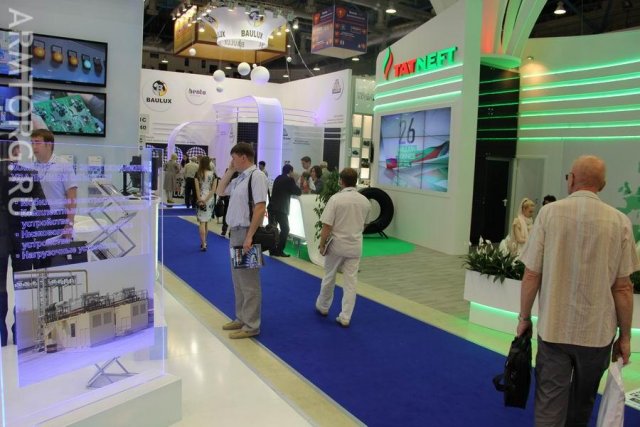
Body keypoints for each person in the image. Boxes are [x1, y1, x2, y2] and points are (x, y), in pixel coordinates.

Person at [517, 155, 639, 426]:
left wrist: (524, 319)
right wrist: (625, 337)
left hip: (554, 330)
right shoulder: (620, 222)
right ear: (603, 185)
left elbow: (531, 274)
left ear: (571, 179)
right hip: (597, 335)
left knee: (549, 406)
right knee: (582, 407)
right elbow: (623, 288)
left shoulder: (549, 214)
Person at [216, 142, 269, 339]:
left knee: (249, 282)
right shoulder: (240, 178)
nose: (232, 161)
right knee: (238, 280)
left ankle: (251, 325)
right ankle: (241, 318)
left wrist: (249, 236)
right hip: (236, 232)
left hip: (247, 232)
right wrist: (230, 170)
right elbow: (220, 191)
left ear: (243, 157)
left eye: (234, 158)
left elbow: (260, 208)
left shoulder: (257, 176)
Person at [0, 136, 48, 346]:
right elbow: (43, 208)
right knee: (22, 284)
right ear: (17, 151)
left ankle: (1, 334)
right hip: (24, 236)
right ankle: (20, 332)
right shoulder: (29, 175)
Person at [315, 168, 370, 327]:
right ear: (356, 181)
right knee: (351, 283)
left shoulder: (336, 199)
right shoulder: (365, 201)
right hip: (355, 246)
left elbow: (327, 225)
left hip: (336, 245)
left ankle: (323, 306)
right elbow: (364, 225)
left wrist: (322, 244)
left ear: (341, 181)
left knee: (329, 276)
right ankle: (346, 317)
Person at [30, 129, 77, 241]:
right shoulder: (32, 167)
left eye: (38, 142)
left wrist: (69, 224)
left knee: (50, 250)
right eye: (32, 143)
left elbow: (72, 197)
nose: (34, 147)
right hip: (38, 216)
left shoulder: (63, 165)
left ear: (49, 145)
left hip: (58, 217)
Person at [268, 164, 301, 257]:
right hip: (281, 209)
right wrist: (294, 180)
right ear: (290, 171)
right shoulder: (289, 180)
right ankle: (279, 250)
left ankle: (272, 250)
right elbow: (298, 192)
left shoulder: (278, 178)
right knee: (285, 229)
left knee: (273, 229)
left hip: (272, 207)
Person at [194, 156, 216, 251]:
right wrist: (206, 200)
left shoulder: (198, 174)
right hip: (210, 199)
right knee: (206, 221)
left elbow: (197, 189)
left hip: (201, 197)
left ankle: (203, 243)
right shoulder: (214, 174)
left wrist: (200, 200)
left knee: (202, 222)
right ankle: (204, 242)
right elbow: (213, 190)